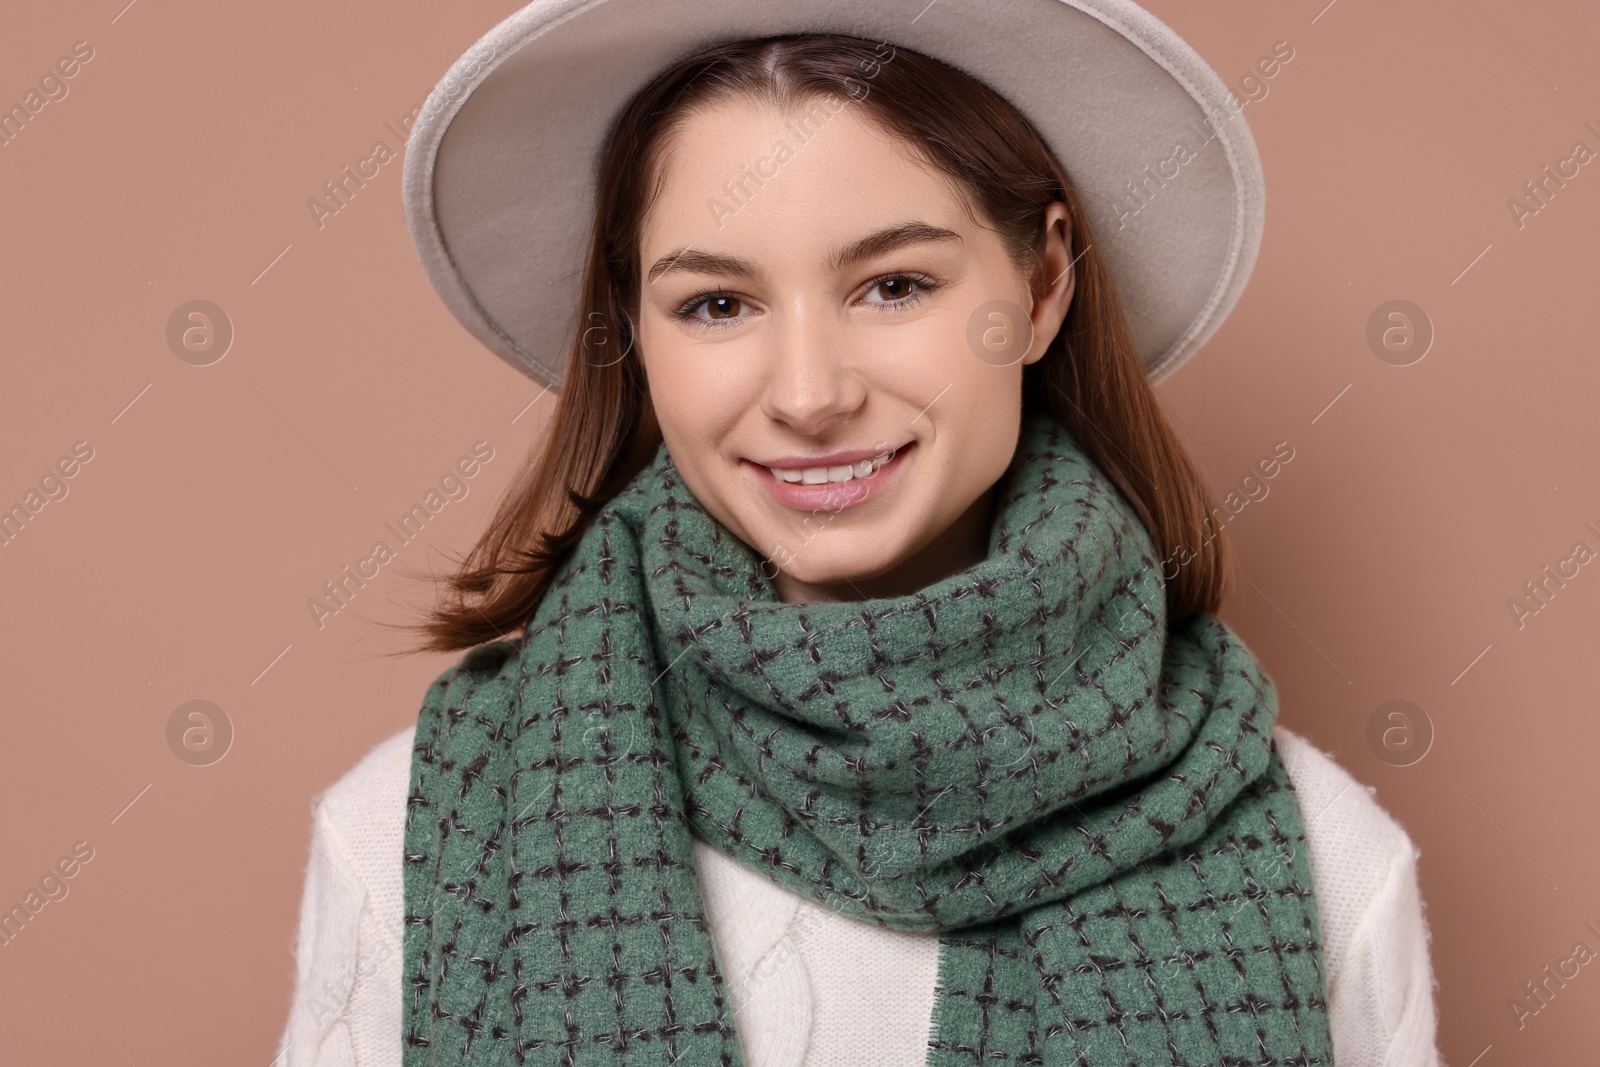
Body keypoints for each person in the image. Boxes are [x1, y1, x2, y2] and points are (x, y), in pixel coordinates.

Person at [277, 5, 1443, 1065]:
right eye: (716, 304)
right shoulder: (412, 837)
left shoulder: (1324, 863)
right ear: (634, 331)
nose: (808, 392)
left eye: (892, 285)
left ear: (1040, 284)